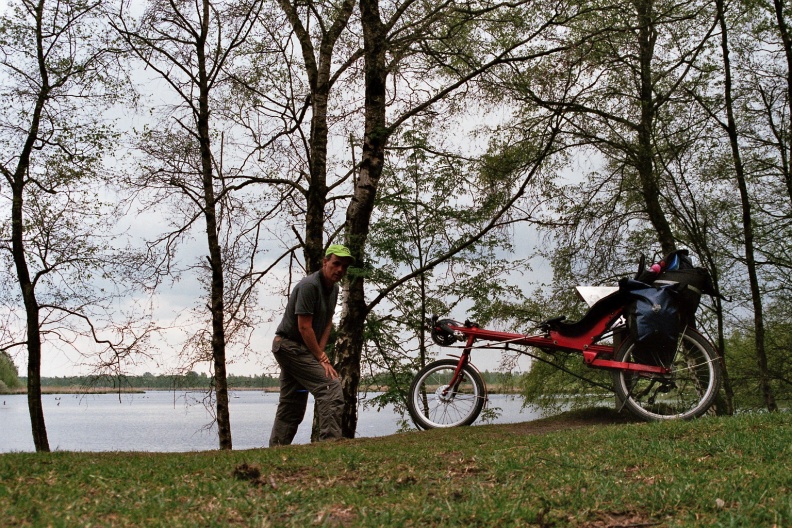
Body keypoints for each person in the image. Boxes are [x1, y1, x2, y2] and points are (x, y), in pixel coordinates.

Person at [268, 244, 354, 446]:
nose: (340, 270)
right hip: (288, 347)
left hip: (302, 349)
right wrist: (321, 358)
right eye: (336, 263)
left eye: (344, 266)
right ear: (325, 262)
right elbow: (304, 327)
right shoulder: (309, 286)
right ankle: (330, 444)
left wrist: (320, 352)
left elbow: (326, 324)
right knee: (330, 386)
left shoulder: (333, 290)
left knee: (292, 403)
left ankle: (276, 450)